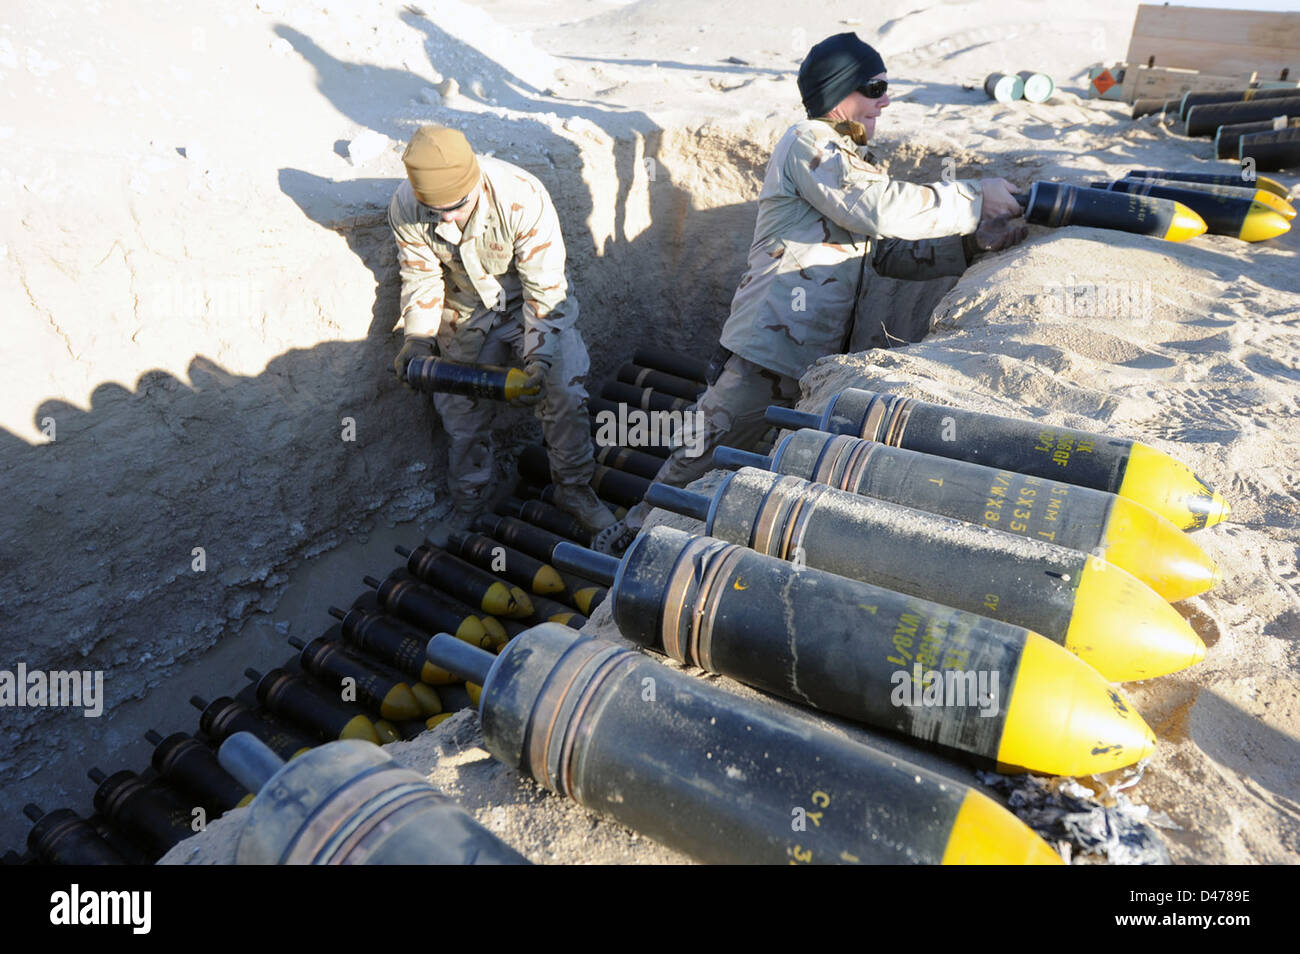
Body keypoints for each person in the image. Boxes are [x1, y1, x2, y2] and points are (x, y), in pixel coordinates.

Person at [611, 32, 1027, 547]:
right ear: (837, 92)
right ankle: (627, 549)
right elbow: (879, 208)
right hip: (767, 353)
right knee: (694, 461)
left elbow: (884, 252)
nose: (885, 100)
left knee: (752, 473)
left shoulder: (853, 164)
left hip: (809, 362)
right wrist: (971, 196)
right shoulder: (809, 142)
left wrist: (969, 246)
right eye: (874, 86)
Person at [388, 125, 615, 536]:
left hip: (529, 305)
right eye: (436, 211)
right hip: (465, 311)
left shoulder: (522, 197)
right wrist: (417, 340)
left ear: (474, 182)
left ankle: (574, 488)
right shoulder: (407, 206)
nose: (447, 219)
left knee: (563, 390)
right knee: (461, 416)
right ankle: (470, 500)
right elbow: (421, 278)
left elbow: (544, 290)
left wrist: (540, 358)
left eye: (456, 206)